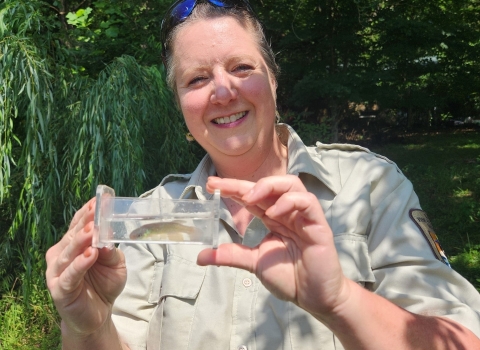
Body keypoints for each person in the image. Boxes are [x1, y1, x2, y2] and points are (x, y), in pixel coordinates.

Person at [46, 0, 480, 349]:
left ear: (273, 80)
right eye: (196, 79)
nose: (222, 90)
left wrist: (340, 301)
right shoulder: (153, 215)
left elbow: (461, 340)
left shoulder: (370, 186)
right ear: (180, 105)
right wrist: (87, 328)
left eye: (241, 68)